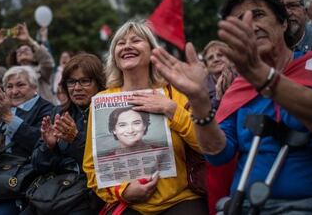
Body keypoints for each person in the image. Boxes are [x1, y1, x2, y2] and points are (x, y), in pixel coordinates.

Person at [151, 0, 312, 214]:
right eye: (240, 21)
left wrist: (262, 76)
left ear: (283, 23)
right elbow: (218, 154)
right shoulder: (239, 87)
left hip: (310, 205)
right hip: (242, 206)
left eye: (258, 15)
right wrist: (199, 102)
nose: (251, 25)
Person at [83, 19, 208, 214]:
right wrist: (123, 191)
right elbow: (92, 168)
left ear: (152, 52)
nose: (127, 46)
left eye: (136, 40)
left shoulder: (174, 93)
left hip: (180, 199)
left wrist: (171, 110)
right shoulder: (101, 101)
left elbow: (205, 146)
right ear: (114, 56)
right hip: (129, 205)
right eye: (120, 43)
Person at [24, 53, 106, 214]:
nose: (77, 88)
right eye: (71, 82)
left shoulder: (109, 113)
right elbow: (37, 165)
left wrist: (76, 139)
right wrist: (49, 147)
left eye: (84, 81)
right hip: (57, 189)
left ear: (99, 83)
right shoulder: (58, 113)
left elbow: (105, 165)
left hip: (90, 193)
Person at [0, 66, 53, 215]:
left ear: (34, 87)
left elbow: (40, 142)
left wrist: (9, 118)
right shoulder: (2, 108)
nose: (14, 91)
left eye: (20, 85)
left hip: (22, 185)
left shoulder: (47, 109)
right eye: (9, 86)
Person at [0, 24, 56, 104]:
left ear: (35, 56)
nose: (22, 51)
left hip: (44, 113)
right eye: (19, 51)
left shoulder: (42, 71)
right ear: (16, 58)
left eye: (26, 49)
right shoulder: (9, 74)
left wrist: (29, 40)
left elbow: (47, 61)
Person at [201, 41, 236, 109]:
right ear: (206, 66)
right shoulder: (201, 89)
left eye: (220, 55)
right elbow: (204, 114)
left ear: (230, 59)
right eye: (210, 58)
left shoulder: (243, 78)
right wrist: (217, 98)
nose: (216, 59)